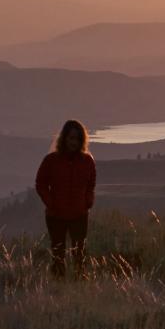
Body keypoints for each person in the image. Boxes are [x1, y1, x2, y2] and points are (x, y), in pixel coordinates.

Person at [35, 119, 97, 278]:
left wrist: (88, 202)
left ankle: (80, 281)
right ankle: (58, 283)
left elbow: (91, 183)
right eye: (71, 138)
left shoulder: (87, 161)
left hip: (79, 214)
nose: (74, 142)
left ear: (81, 140)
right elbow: (40, 183)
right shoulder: (51, 160)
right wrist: (51, 203)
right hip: (56, 216)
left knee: (79, 252)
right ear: (64, 138)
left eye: (77, 138)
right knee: (58, 252)